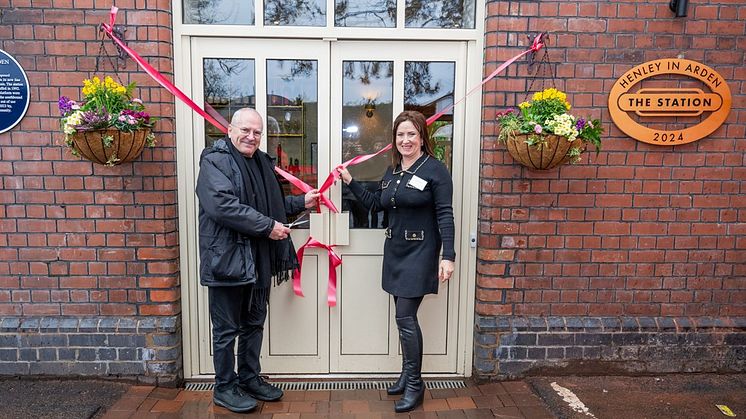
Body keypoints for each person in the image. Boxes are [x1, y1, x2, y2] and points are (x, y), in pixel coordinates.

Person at [196, 108, 319, 413]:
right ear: (230, 130)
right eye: (245, 130)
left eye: (257, 132)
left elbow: (271, 205)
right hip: (227, 260)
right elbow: (223, 206)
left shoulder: (262, 163)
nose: (251, 137)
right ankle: (224, 387)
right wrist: (268, 227)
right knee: (226, 330)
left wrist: (299, 202)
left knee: (254, 323)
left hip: (258, 259)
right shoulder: (214, 161)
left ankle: (249, 378)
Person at [336, 110, 455, 412]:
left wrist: (448, 256)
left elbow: (445, 215)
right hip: (395, 251)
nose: (405, 140)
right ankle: (406, 374)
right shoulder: (393, 172)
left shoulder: (435, 170)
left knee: (405, 317)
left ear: (422, 137)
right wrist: (350, 181)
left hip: (421, 252)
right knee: (403, 319)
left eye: (411, 134)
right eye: (400, 135)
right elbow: (377, 204)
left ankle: (416, 384)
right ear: (394, 140)